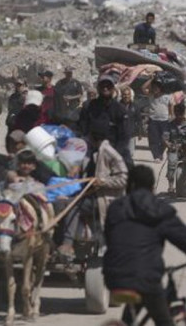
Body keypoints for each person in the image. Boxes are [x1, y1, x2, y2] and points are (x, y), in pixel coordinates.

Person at [103, 165, 186, 326]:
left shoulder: (116, 208)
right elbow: (185, 239)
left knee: (132, 311)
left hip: (113, 276)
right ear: (152, 187)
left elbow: (109, 237)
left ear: (130, 185)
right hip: (147, 278)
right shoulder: (159, 209)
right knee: (163, 320)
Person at [56, 121, 128, 258]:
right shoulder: (93, 151)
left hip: (104, 199)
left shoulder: (109, 153)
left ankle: (68, 243)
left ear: (94, 137)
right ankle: (56, 243)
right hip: (90, 194)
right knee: (60, 203)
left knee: (73, 205)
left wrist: (102, 182)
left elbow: (123, 179)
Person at [79, 74, 132, 166]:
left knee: (129, 168)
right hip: (93, 148)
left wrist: (114, 154)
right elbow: (82, 127)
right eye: (102, 86)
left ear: (113, 89)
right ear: (98, 88)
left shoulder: (119, 109)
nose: (105, 88)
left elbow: (125, 135)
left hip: (115, 149)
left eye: (108, 86)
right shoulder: (89, 106)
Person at [142, 78, 173, 162]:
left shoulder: (167, 96)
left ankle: (160, 154)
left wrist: (171, 116)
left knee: (164, 139)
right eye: (154, 87)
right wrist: (152, 79)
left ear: (160, 88)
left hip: (165, 121)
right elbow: (143, 88)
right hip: (153, 120)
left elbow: (170, 106)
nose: (155, 89)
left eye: (157, 87)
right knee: (153, 139)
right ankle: (156, 156)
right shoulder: (151, 95)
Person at [163, 103, 186, 193]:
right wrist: (169, 145)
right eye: (177, 113)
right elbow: (165, 138)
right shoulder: (169, 124)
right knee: (171, 163)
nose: (178, 116)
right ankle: (170, 185)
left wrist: (184, 145)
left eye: (180, 114)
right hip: (174, 149)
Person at [54, 66, 84, 130]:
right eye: (67, 73)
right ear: (65, 73)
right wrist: (62, 98)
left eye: (70, 73)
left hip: (73, 108)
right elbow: (55, 93)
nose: (69, 74)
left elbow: (80, 94)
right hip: (62, 108)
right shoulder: (60, 83)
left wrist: (71, 98)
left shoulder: (76, 83)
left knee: (71, 125)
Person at [120, 87, 140, 159]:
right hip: (120, 134)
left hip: (131, 133)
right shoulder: (117, 106)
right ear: (122, 95)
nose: (126, 96)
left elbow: (139, 120)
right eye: (124, 94)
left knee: (130, 153)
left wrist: (139, 132)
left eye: (128, 94)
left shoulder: (135, 106)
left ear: (130, 95)